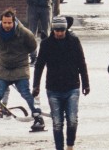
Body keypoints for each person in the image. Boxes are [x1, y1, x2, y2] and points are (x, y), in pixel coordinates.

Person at [32, 16, 90, 150]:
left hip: (72, 86)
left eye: (61, 30)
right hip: (53, 88)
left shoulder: (74, 41)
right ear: (53, 30)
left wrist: (86, 83)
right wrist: (36, 85)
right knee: (57, 122)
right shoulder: (46, 44)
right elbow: (39, 66)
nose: (59, 33)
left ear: (66, 29)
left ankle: (70, 146)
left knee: (72, 120)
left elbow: (81, 63)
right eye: (56, 30)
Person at [0, 9, 43, 132]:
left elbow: (33, 46)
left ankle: (38, 117)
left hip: (20, 67)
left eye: (9, 23)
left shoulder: (24, 33)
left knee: (25, 93)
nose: (6, 25)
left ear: (13, 21)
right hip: (4, 68)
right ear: (1, 21)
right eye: (4, 23)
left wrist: (28, 57)